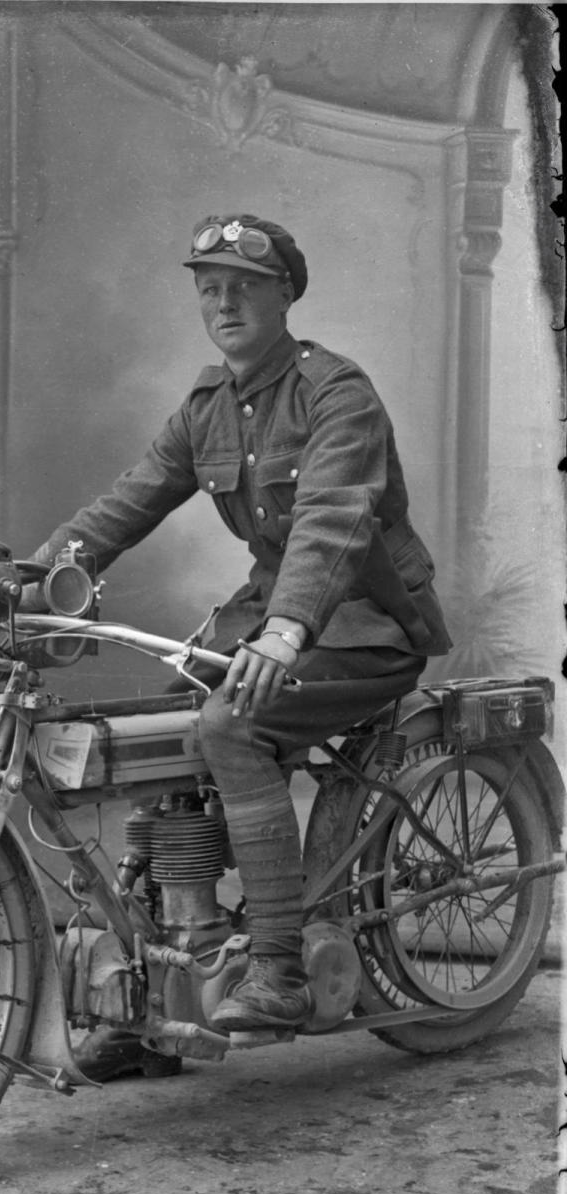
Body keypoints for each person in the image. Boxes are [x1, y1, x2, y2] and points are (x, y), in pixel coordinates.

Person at [23, 212, 452, 1081]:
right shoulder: (207, 409)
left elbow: (333, 522)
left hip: (363, 622)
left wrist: (289, 630)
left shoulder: (338, 393)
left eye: (243, 287)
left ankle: (281, 972)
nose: (223, 304)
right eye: (208, 288)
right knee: (160, 730)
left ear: (284, 293)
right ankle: (160, 996)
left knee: (228, 729)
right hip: (269, 619)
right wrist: (21, 583)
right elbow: (124, 505)